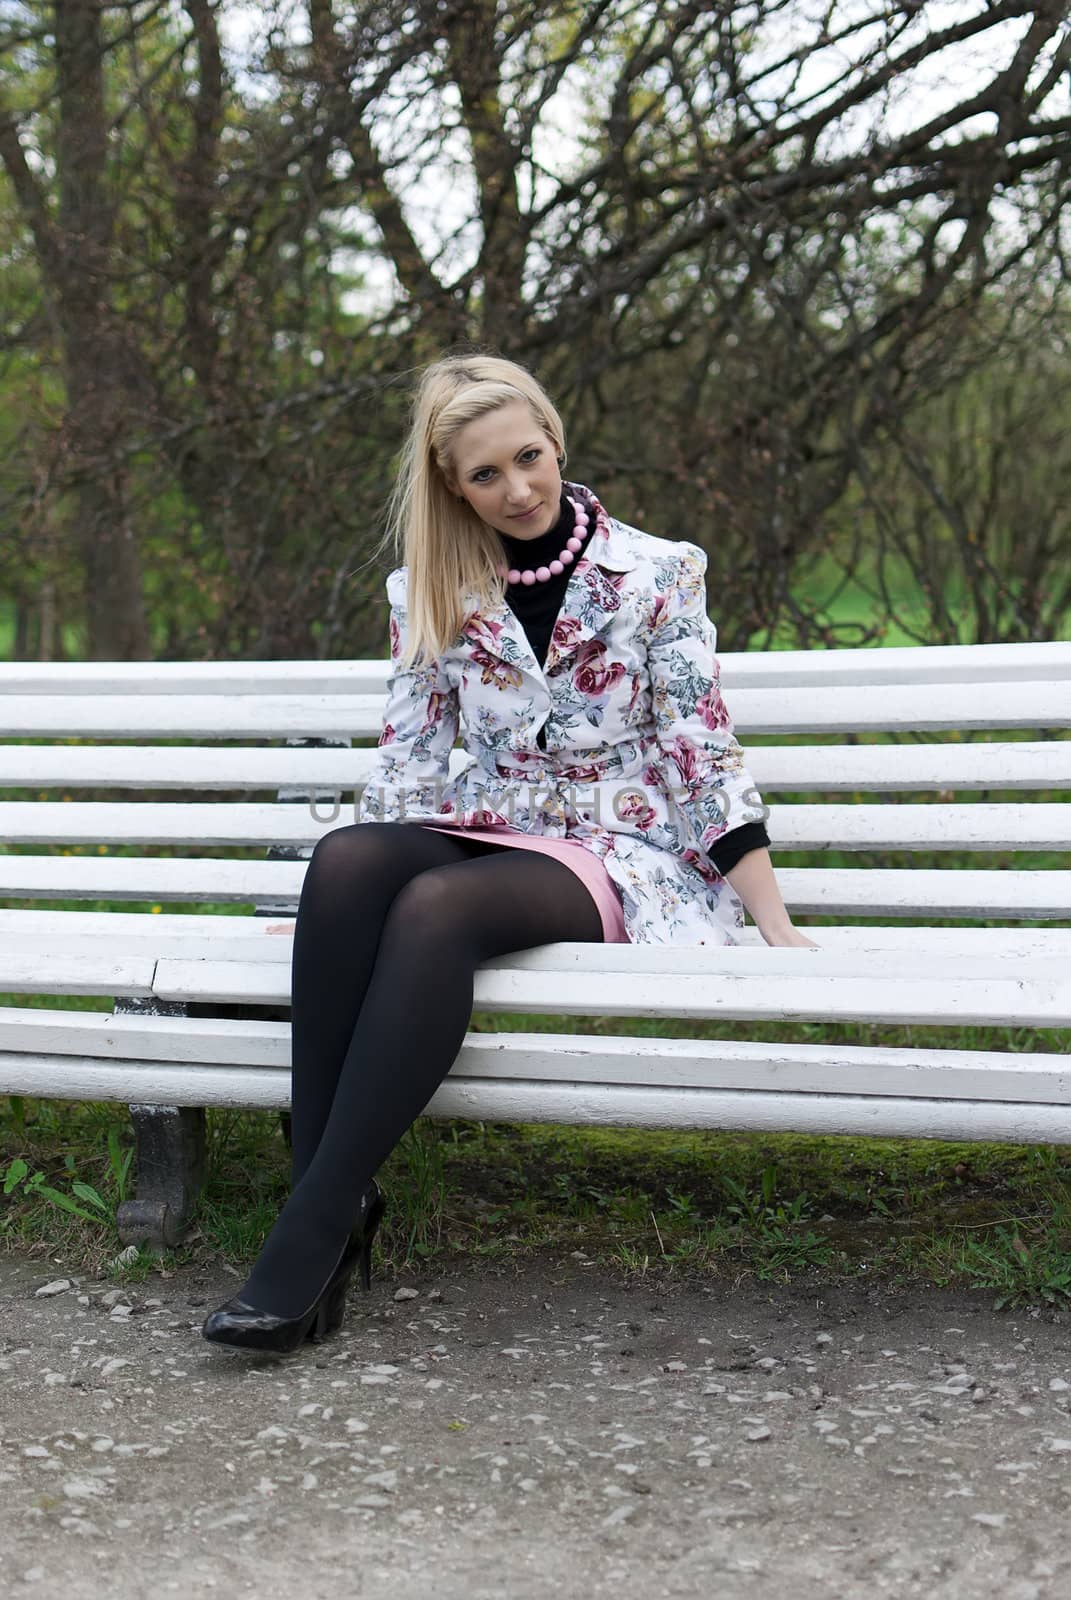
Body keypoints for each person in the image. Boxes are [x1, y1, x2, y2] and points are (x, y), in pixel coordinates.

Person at [202, 353, 817, 1354]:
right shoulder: (434, 584)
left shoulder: (659, 571)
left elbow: (700, 747)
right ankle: (330, 1210)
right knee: (350, 867)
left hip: (620, 848)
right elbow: (409, 753)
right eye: (486, 475)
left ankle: (308, 1227)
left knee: (436, 909)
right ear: (454, 484)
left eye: (528, 458)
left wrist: (774, 920)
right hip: (488, 825)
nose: (517, 489)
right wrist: (333, 904)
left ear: (556, 440)